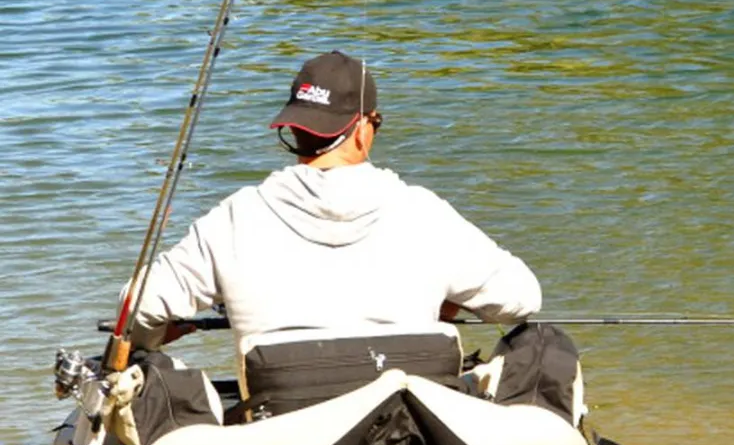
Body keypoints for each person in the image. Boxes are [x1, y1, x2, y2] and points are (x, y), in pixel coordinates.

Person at [123, 50, 542, 353]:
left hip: (279, 431)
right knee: (543, 345)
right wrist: (449, 300)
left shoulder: (236, 217)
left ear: (295, 129)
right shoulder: (423, 213)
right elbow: (522, 298)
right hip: (404, 434)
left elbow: (135, 307)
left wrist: (155, 335)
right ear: (363, 130)